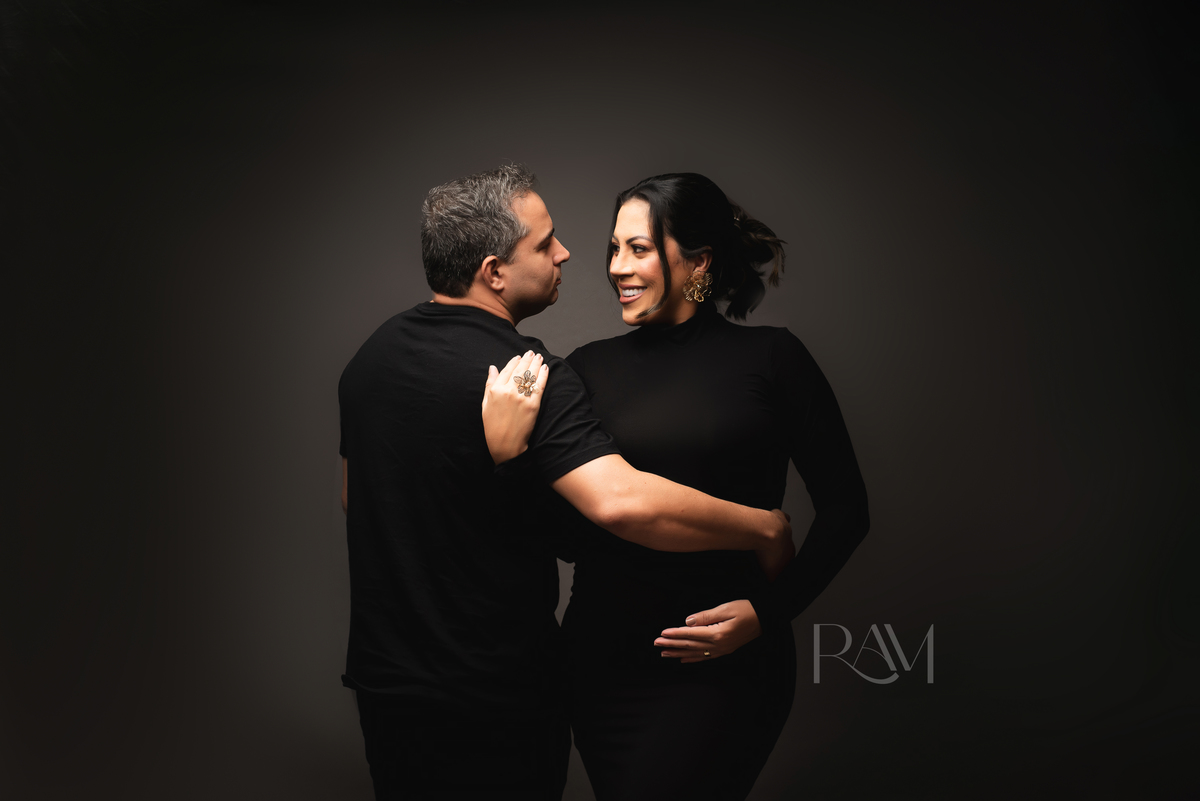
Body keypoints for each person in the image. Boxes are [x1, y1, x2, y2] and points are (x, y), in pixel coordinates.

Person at [337, 165, 794, 801]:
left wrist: (502, 468)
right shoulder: (529, 376)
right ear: (495, 272)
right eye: (544, 243)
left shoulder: (370, 359)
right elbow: (618, 503)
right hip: (496, 691)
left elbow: (356, 499)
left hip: (387, 687)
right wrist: (763, 526)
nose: (566, 253)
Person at [484, 173, 871, 800]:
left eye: (638, 248)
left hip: (723, 665)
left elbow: (848, 510)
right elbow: (566, 538)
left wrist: (767, 615)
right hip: (601, 666)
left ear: (700, 261)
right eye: (614, 248)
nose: (616, 266)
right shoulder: (585, 369)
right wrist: (509, 460)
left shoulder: (774, 359)